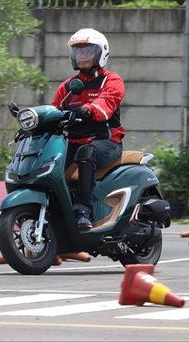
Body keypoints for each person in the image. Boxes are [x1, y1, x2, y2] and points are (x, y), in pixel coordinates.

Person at [52, 28, 125, 231]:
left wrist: (86, 110)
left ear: (101, 53)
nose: (81, 56)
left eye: (87, 52)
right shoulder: (67, 87)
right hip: (73, 143)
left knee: (87, 152)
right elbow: (54, 111)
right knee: (48, 157)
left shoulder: (111, 81)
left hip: (107, 142)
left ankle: (83, 210)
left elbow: (105, 105)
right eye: (78, 52)